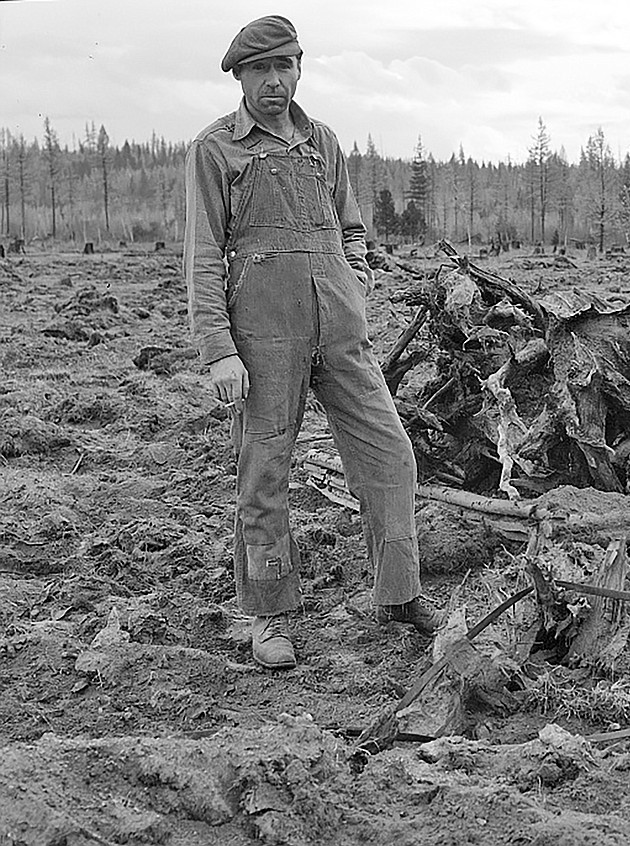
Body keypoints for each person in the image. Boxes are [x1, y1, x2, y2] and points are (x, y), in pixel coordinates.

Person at [183, 15, 441, 671]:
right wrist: (219, 349)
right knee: (263, 475)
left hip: (342, 336)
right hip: (264, 343)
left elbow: (352, 229)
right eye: (260, 71)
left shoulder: (322, 142)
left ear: (300, 69)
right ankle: (267, 615)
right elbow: (202, 255)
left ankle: (399, 591)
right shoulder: (216, 150)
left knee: (390, 455)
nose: (274, 82)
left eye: (284, 67)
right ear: (240, 77)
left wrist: (352, 286)